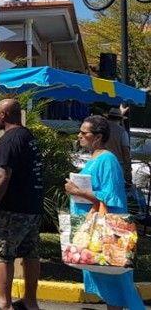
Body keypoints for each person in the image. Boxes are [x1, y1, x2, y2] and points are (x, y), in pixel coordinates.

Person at [65, 115, 145, 310]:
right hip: (90, 229)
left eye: (84, 133)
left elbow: (112, 197)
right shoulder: (95, 157)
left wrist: (79, 191)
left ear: (98, 136)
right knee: (106, 280)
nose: (79, 136)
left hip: (104, 232)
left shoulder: (107, 159)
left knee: (114, 281)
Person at [0, 98, 44, 310]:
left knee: (2, 253)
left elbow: (2, 176)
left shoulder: (9, 140)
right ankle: (30, 302)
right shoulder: (28, 137)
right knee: (30, 253)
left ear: (4, 115)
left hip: (12, 209)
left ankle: (3, 303)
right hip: (32, 208)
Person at [104, 108, 133, 188]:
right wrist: (128, 168)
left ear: (108, 117)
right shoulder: (122, 132)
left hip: (102, 163)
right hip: (117, 165)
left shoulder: (101, 130)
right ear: (120, 119)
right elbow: (126, 152)